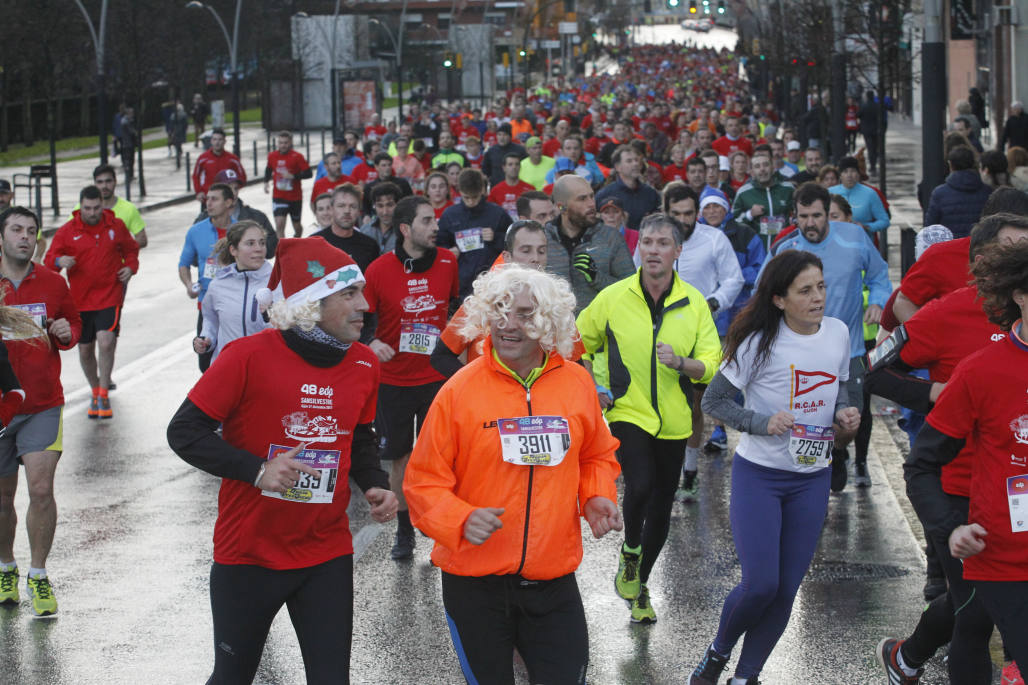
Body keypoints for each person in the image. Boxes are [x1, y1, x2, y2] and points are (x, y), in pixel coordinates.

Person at [167, 237, 398, 684]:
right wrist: (257, 470)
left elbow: (360, 435)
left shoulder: (366, 363)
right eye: (349, 294)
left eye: (362, 293)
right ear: (311, 303)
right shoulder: (246, 357)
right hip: (250, 552)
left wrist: (374, 482)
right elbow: (183, 433)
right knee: (233, 675)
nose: (364, 305)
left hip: (325, 550)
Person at [404, 265, 621, 685]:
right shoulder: (459, 390)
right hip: (475, 585)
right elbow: (423, 481)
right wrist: (460, 518)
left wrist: (595, 495)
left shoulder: (576, 383)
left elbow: (597, 454)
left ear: (547, 322)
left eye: (524, 314)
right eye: (500, 310)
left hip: (553, 579)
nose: (509, 324)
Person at [867, 214, 1028, 684]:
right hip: (968, 501)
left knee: (972, 611)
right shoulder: (949, 318)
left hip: (1008, 502)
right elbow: (874, 370)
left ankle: (906, 657)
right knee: (974, 614)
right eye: (1012, 248)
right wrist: (934, 392)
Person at [689, 250, 860, 685]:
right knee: (761, 583)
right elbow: (714, 401)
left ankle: (747, 676)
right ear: (780, 299)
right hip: (760, 477)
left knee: (785, 590)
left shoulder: (838, 333)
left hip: (812, 478)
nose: (818, 297)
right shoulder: (757, 342)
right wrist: (760, 423)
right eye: (805, 290)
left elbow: (840, 386)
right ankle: (717, 654)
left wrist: (845, 413)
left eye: (821, 286)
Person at [578, 214, 722, 624]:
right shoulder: (613, 297)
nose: (653, 250)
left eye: (663, 243)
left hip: (676, 420)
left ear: (678, 252)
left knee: (662, 504)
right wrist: (594, 385)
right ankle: (630, 550)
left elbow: (713, 363)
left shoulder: (693, 302)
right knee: (639, 483)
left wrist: (683, 362)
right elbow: (577, 342)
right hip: (628, 410)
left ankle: (640, 584)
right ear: (639, 248)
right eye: (647, 242)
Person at [764, 182, 891, 491]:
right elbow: (765, 296)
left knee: (853, 416)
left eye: (817, 215)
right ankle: (814, 473)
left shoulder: (854, 237)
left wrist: (877, 301)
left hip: (851, 350)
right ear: (795, 215)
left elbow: (879, 275)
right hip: (802, 353)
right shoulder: (786, 250)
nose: (810, 223)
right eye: (803, 216)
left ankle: (841, 450)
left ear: (828, 214)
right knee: (810, 416)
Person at [363, 196, 459, 560]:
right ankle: (404, 533)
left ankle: (440, 527)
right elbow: (364, 320)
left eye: (434, 220)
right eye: (426, 221)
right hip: (394, 381)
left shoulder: (449, 262)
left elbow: (452, 307)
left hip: (437, 377)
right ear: (405, 229)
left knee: (442, 459)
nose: (435, 226)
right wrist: (371, 342)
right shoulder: (377, 270)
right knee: (400, 458)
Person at [0, 206, 81, 618]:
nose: (25, 237)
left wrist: (66, 333)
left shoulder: (51, 281)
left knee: (41, 490)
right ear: (2, 236)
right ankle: (5, 568)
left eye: (31, 231)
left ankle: (38, 573)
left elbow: (72, 322)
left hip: (43, 404)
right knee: (2, 498)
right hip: (0, 410)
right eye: (16, 229)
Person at [44, 186, 138, 419]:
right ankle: (95, 389)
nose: (93, 212)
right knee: (85, 350)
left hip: (110, 295)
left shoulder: (115, 225)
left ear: (102, 205)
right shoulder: (68, 231)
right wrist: (59, 260)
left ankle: (104, 392)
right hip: (79, 301)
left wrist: (130, 268)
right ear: (80, 207)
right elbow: (49, 262)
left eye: (97, 208)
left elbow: (131, 249)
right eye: (87, 208)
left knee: (106, 342)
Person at [543, 175, 635, 313]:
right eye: (582, 199)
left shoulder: (610, 237)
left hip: (599, 331)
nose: (592, 203)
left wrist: (597, 278)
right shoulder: (543, 240)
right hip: (553, 330)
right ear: (561, 207)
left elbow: (632, 290)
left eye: (592, 196)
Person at [179, 183, 238, 373]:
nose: (208, 203)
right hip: (207, 306)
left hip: (235, 306)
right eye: (207, 199)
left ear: (229, 202)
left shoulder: (241, 232)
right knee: (205, 363)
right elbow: (184, 264)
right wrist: (189, 284)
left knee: (234, 359)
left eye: (214, 199)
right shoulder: (196, 231)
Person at [194, 221, 272, 362]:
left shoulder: (277, 282)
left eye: (262, 243)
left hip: (264, 369)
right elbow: (211, 319)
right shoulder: (218, 285)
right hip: (228, 368)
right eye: (250, 243)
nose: (259, 249)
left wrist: (269, 316)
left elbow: (287, 331)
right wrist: (206, 339)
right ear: (233, 250)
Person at [437, 169, 512, 299]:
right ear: (459, 191)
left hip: (492, 281)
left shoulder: (497, 213)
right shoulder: (450, 215)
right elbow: (437, 245)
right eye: (466, 197)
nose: (471, 201)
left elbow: (512, 244)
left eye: (475, 197)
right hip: (461, 283)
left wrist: (496, 238)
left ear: (482, 191)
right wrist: (448, 252)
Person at [924, 145, 994, 238]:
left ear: (950, 165)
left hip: (950, 247)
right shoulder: (987, 191)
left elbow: (930, 227)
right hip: (977, 247)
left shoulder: (940, 193)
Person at [312, 185, 380, 273]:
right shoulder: (314, 243)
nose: (347, 211)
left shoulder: (370, 246)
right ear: (332, 208)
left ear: (359, 211)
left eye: (353, 206)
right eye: (341, 206)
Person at [595, 145, 661, 231]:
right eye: (629, 161)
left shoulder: (650, 193)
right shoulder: (605, 194)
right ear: (618, 167)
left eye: (637, 160)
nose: (635, 164)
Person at [732, 152, 795, 238]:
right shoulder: (743, 192)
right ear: (752, 172)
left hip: (784, 245)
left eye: (766, 165)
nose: (762, 169)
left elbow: (799, 214)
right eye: (757, 166)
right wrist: (750, 214)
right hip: (757, 247)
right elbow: (733, 222)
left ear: (773, 168)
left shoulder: (788, 189)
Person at [264, 131, 312, 239]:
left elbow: (308, 173)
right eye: (280, 143)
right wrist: (266, 182)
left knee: (297, 226)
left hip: (295, 197)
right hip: (279, 196)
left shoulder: (297, 156)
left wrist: (293, 176)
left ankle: (297, 239)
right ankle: (283, 251)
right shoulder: (272, 156)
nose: (283, 145)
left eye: (285, 143)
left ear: (290, 143)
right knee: (279, 224)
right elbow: (268, 169)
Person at [828, 156, 890, 234]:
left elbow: (885, 221)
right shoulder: (830, 192)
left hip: (862, 241)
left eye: (853, 171)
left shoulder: (870, 193)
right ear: (840, 175)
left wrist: (866, 227)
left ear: (858, 174)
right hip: (836, 240)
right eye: (845, 171)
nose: (849, 175)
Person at [192, 128, 247, 206]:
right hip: (208, 200)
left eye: (220, 139)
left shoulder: (232, 159)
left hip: (226, 200)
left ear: (224, 141)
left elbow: (242, 178)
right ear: (211, 141)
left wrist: (233, 191)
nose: (217, 142)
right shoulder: (203, 158)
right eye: (214, 139)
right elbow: (195, 176)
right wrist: (199, 191)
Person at [487, 153, 536, 220]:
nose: (514, 167)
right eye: (510, 164)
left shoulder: (530, 189)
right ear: (504, 168)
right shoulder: (495, 191)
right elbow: (490, 214)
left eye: (517, 164)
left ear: (520, 167)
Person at [358, 182, 402, 255]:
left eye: (390, 205)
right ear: (374, 206)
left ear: (398, 204)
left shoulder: (406, 232)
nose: (385, 212)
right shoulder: (365, 231)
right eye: (380, 206)